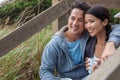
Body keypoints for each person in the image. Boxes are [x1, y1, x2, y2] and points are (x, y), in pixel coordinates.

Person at [39, 2, 120, 80]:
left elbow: (115, 28)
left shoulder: (90, 34)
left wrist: (111, 44)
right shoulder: (54, 44)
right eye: (72, 18)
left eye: (80, 20)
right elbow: (45, 70)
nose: (75, 23)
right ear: (68, 18)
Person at [85, 5, 120, 72]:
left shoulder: (116, 41)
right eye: (86, 22)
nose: (88, 26)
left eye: (91, 21)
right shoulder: (89, 46)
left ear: (105, 22)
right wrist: (95, 71)